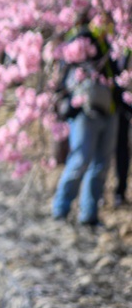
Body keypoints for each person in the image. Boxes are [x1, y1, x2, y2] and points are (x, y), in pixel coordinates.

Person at [51, 17, 118, 226]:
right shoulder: (82, 38)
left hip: (110, 110)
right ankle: (61, 208)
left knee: (101, 165)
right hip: (85, 112)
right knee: (80, 160)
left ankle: (89, 214)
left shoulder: (114, 43)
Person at [115, 52, 130, 206]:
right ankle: (118, 192)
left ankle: (121, 191)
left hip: (124, 109)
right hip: (116, 109)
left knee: (122, 152)